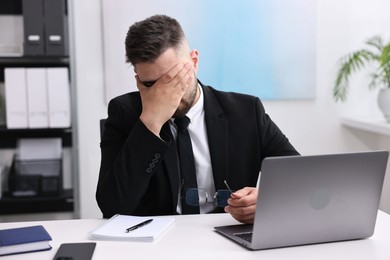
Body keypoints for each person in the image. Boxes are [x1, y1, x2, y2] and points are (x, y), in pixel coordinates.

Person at [96, 14, 299, 224]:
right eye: (150, 85)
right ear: (138, 79)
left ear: (194, 62)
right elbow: (112, 207)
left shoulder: (246, 112)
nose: (164, 93)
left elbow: (300, 177)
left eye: (172, 79)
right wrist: (150, 122)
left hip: (227, 235)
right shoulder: (124, 113)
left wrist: (266, 198)